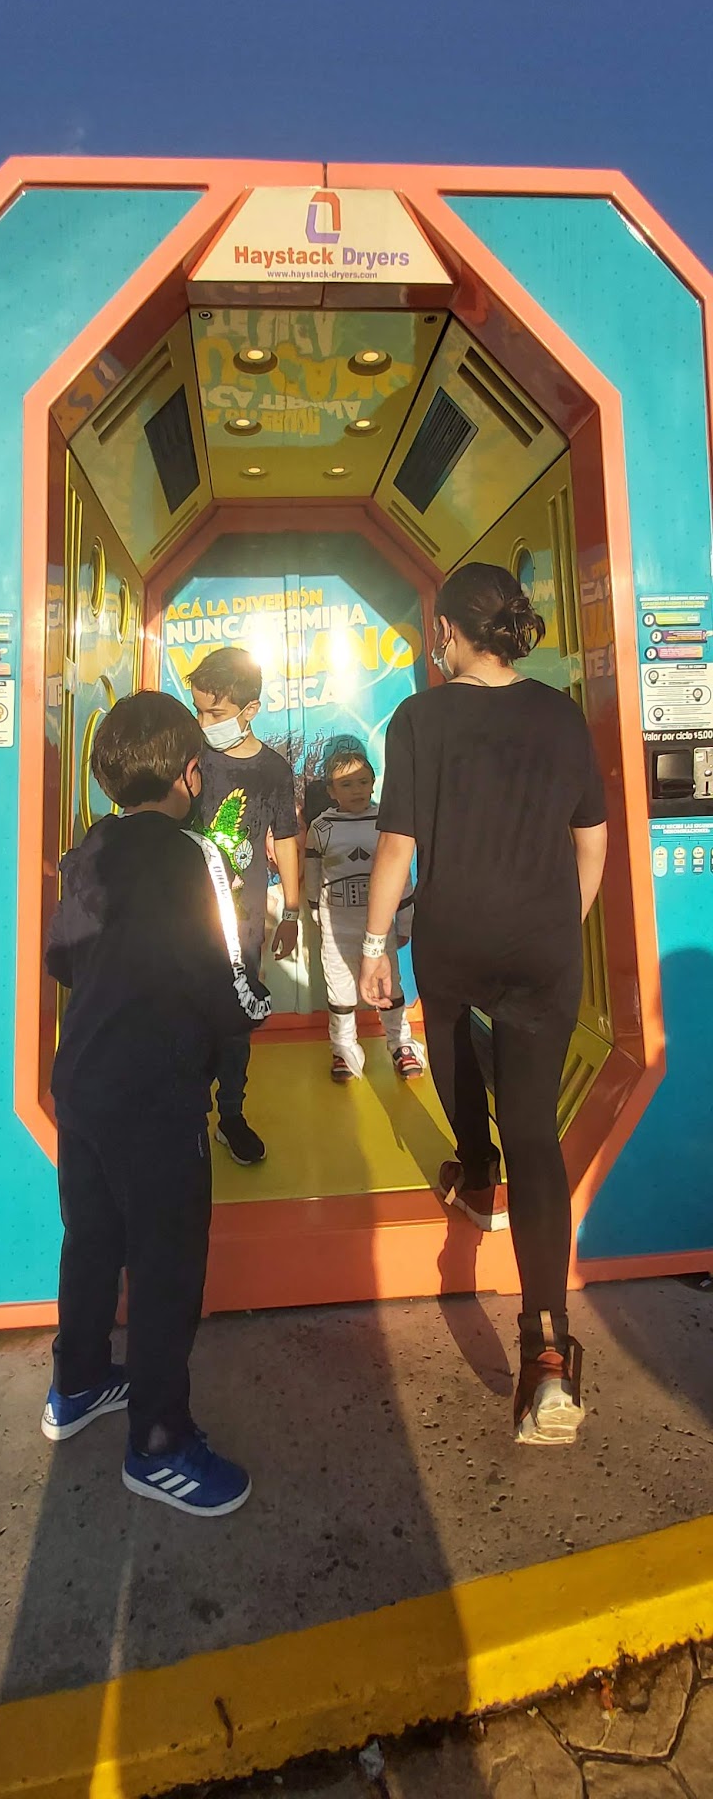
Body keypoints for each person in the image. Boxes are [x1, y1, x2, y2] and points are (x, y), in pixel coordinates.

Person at [360, 563, 607, 1447]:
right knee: (537, 1132)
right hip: (544, 943)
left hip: (455, 937)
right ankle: (548, 1350)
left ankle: (473, 1169)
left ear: (448, 633)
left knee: (456, 1056)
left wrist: (374, 946)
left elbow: (398, 846)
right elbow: (591, 842)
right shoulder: (561, 715)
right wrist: (558, 923)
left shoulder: (420, 718)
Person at [41, 691, 270, 1516]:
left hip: (83, 1084)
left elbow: (61, 958)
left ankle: (78, 1382)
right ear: (190, 772)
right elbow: (228, 976)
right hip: (157, 1095)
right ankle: (160, 1444)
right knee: (167, 1268)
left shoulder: (89, 849)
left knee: (92, 1239)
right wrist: (253, 1011)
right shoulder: (192, 854)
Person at [188, 647, 299, 1166]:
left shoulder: (273, 769)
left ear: (249, 709)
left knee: (236, 1020)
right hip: (185, 916)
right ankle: (186, 1114)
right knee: (185, 1016)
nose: (203, 723)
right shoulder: (191, 756)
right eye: (198, 710)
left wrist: (291, 911)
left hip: (245, 923)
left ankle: (230, 1115)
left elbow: (287, 838)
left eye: (215, 713)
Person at [305, 743, 425, 1081]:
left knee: (389, 986)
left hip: (380, 929)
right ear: (331, 791)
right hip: (337, 928)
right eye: (346, 784)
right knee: (340, 991)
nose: (356, 790)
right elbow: (313, 872)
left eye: (362, 782)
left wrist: (404, 921)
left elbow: (401, 877)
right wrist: (316, 911)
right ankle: (343, 1049)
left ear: (373, 784)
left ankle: (400, 1043)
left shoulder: (387, 822)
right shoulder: (321, 828)